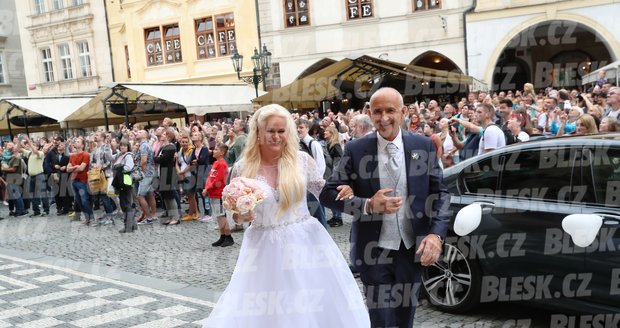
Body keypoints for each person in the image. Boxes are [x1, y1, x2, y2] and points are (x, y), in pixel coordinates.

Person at [203, 104, 369, 328]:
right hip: (263, 246)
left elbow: (325, 192)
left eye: (281, 131)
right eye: (271, 130)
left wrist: (355, 198)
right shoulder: (242, 168)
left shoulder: (301, 160)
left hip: (306, 241)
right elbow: (236, 217)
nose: (276, 136)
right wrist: (243, 215)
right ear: (259, 133)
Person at [320, 87, 450, 328]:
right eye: (377, 111)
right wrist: (368, 204)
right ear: (370, 113)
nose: (383, 118)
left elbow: (440, 193)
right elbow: (327, 194)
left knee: (404, 319)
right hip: (373, 251)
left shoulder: (423, 146)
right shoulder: (356, 149)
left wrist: (435, 234)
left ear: (402, 112)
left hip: (412, 251)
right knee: (382, 320)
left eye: (390, 111)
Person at [203, 143, 232, 247]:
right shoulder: (216, 163)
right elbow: (210, 177)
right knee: (218, 216)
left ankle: (228, 236)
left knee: (221, 215)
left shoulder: (222, 164)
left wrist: (207, 188)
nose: (213, 151)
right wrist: (207, 188)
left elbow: (218, 180)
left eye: (216, 149)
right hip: (213, 193)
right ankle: (222, 236)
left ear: (222, 153)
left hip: (218, 193)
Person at [113, 139, 137, 233]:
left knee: (126, 203)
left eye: (125, 146)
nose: (123, 147)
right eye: (121, 145)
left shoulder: (128, 156)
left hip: (125, 180)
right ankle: (132, 225)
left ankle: (128, 226)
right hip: (120, 181)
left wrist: (119, 168)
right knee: (124, 203)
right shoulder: (120, 155)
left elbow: (128, 167)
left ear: (128, 147)